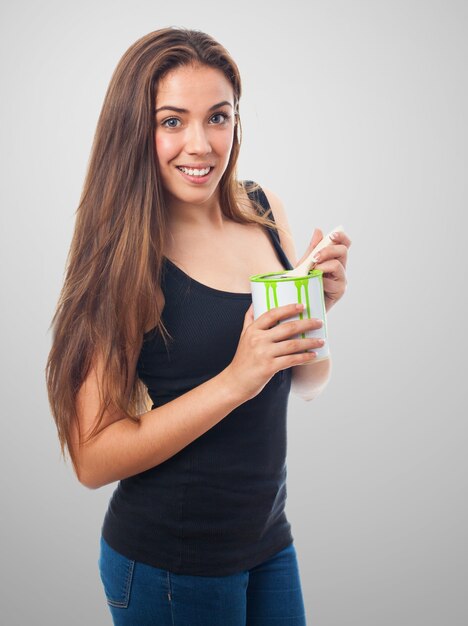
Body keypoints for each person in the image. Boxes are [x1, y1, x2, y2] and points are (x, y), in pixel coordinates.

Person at [45, 27, 350, 625]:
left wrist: (311, 310)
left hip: (267, 543)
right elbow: (92, 458)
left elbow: (306, 383)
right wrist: (237, 379)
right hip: (169, 567)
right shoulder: (123, 256)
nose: (201, 144)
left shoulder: (262, 209)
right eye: (171, 121)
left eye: (218, 117)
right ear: (137, 128)